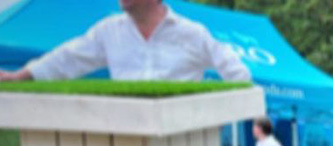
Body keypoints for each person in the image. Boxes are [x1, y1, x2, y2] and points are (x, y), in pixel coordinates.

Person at [0, 0, 250, 82]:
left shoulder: (193, 34)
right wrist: (17, 77)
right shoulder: (109, 31)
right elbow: (67, 59)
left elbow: (238, 74)